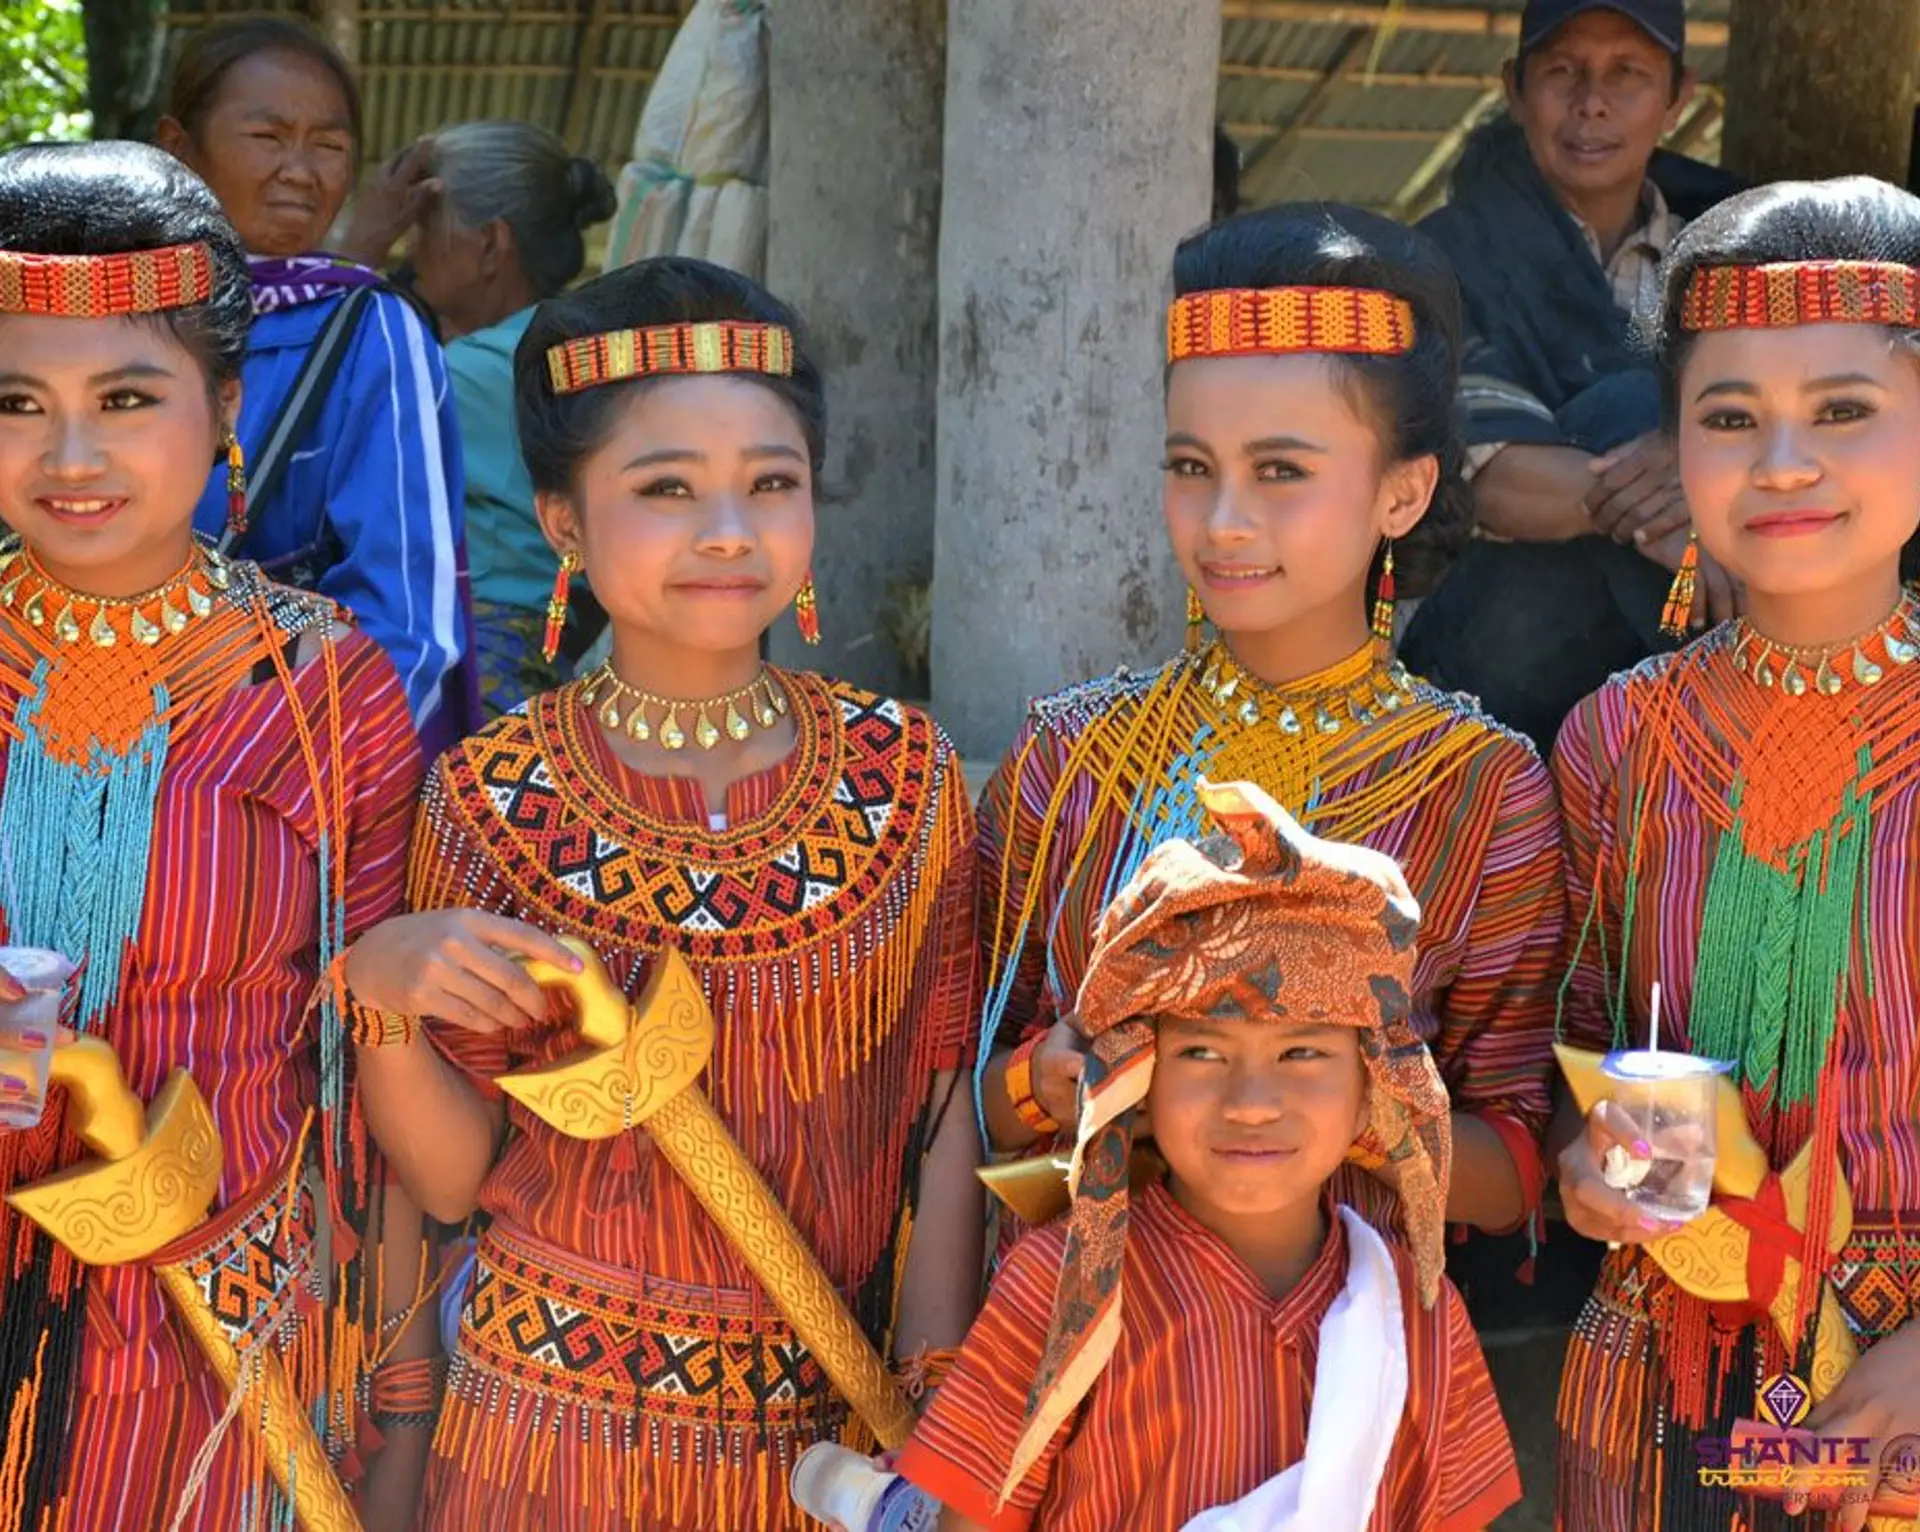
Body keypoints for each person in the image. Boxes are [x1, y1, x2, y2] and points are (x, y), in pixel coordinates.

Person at [338, 255, 985, 1530]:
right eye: (667, 488)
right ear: (565, 522)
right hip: (540, 1435)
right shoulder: (488, 796)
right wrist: (384, 996)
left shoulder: (908, 777)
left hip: (822, 1439)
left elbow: (946, 1105)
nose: (729, 528)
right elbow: (458, 1178)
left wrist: (935, 1407)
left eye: (771, 484)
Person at [975, 204, 1563, 1249]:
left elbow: (1517, 1167)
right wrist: (1043, 1080)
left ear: (1404, 490)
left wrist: (1342, 1104)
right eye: (1192, 467)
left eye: (1281, 471)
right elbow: (962, 1093)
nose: (1225, 519)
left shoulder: (1480, 790)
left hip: (1353, 1366)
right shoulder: (1071, 758)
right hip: (1076, 1361)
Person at [0, 141, 429, 1531]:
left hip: (226, 1339)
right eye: (18, 402)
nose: (72, 455)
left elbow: (371, 1081)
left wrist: (402, 1400)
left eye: (128, 396)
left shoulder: (325, 691)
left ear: (227, 405)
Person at [1552, 177, 1920, 1531]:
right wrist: (1585, 1175)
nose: (1781, 462)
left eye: (1842, 410)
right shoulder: (1616, 742)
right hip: (1668, 1392)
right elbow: (1571, 1049)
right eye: (1728, 418)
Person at [899, 780, 1521, 1529]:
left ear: (1373, 1089)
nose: (1251, 1101)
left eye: (1301, 1051)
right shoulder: (1060, 1292)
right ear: (1136, 1074)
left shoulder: (1415, 1312)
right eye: (1201, 1050)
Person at [1404, 0, 1743, 752]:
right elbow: (1497, 479)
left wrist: (1689, 463)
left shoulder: (1735, 258)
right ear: (1514, 88)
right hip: (1502, 663)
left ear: (1678, 95)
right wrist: (1683, 503)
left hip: (1704, 647)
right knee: (1628, 403)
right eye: (1563, 71)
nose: (1592, 101)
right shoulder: (1445, 258)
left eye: (1628, 73)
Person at [157, 17, 475, 758]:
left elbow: (408, 621)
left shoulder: (374, 331)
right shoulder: (117, 313)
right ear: (179, 147)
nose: (300, 169)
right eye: (268, 137)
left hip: (279, 775)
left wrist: (285, 795)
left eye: (328, 146)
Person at [344, 121, 620, 715]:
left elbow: (308, 416)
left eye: (426, 229)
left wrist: (355, 250)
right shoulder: (578, 352)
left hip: (471, 677)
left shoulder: (460, 378)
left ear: (491, 244)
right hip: (542, 665)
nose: (412, 252)